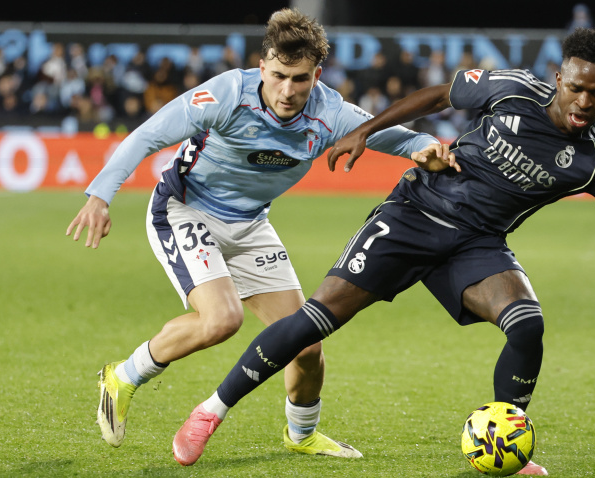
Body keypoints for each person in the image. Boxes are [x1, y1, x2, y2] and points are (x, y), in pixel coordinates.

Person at [172, 27, 595, 474]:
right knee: (316, 319)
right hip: (414, 215)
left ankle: (505, 444)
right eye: (577, 87)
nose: (585, 100)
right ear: (559, 77)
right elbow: (441, 95)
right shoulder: (512, 87)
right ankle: (209, 412)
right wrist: (368, 131)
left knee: (528, 323)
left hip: (477, 246)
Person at [65, 7, 454, 460]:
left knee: (305, 343)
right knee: (221, 320)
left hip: (251, 223)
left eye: (300, 79)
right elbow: (148, 135)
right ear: (262, 65)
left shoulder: (330, 112)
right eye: (278, 76)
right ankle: (123, 376)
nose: (287, 91)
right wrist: (100, 196)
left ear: (317, 74)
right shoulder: (227, 93)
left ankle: (301, 434)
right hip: (186, 209)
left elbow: (397, 139)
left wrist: (427, 152)